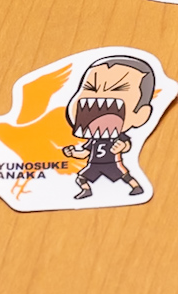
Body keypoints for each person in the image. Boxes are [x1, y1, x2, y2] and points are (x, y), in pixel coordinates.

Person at [62, 55, 156, 200]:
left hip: (113, 163)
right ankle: (86, 191)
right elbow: (84, 153)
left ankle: (136, 187)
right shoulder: (93, 138)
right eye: (91, 88)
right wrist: (72, 152)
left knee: (125, 176)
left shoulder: (117, 135)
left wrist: (122, 147)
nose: (99, 97)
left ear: (141, 115)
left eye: (118, 90)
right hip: (94, 164)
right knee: (81, 178)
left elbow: (126, 145)